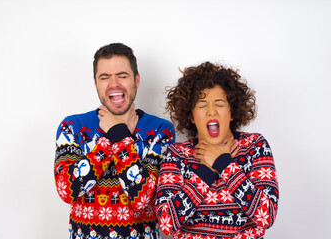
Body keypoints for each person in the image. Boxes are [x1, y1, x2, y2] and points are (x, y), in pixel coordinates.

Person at [54, 43, 175, 239]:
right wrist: (110, 138)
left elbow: (142, 198)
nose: (114, 83)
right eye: (105, 77)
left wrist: (119, 134)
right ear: (96, 83)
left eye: (122, 75)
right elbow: (67, 190)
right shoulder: (72, 126)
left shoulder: (160, 130)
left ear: (136, 79)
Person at [155, 62, 278, 238]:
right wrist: (207, 170)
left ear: (232, 112)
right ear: (190, 115)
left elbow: (267, 216)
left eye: (219, 103)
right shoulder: (176, 154)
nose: (211, 111)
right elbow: (166, 222)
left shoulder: (255, 146)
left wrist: (223, 163)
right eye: (202, 104)